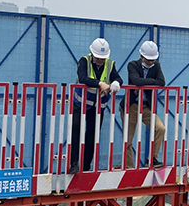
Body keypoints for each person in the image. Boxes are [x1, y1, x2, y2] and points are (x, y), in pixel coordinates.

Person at [69, 38, 123, 172]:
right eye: (98, 57)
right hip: (80, 104)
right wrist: (100, 83)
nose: (100, 60)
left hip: (98, 107)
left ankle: (86, 167)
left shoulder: (110, 64)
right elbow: (82, 78)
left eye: (102, 58)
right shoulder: (84, 61)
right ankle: (73, 164)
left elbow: (118, 78)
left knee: (92, 137)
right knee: (76, 133)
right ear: (92, 53)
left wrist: (116, 83)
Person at [120, 40, 166, 168]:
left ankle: (152, 159)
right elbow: (136, 80)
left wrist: (143, 84)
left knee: (160, 128)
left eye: (152, 60)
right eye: (148, 60)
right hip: (131, 106)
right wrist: (152, 81)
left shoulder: (156, 66)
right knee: (128, 139)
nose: (151, 62)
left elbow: (162, 82)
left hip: (146, 106)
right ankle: (129, 168)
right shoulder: (132, 65)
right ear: (141, 56)